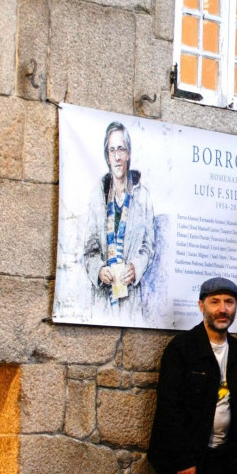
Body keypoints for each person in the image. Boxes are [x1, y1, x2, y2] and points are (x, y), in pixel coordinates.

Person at [148, 277, 237, 474]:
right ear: (201, 306)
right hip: (188, 458)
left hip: (223, 459)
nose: (223, 309)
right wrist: (184, 460)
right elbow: (169, 408)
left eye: (229, 302)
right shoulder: (181, 348)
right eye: (215, 302)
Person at [83, 121, 155, 324]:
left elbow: (149, 247)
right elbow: (89, 250)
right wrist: (98, 270)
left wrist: (136, 268)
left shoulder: (142, 197)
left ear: (128, 154)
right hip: (102, 303)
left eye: (121, 149)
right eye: (112, 150)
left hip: (130, 300)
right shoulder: (97, 195)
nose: (117, 156)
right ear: (107, 156)